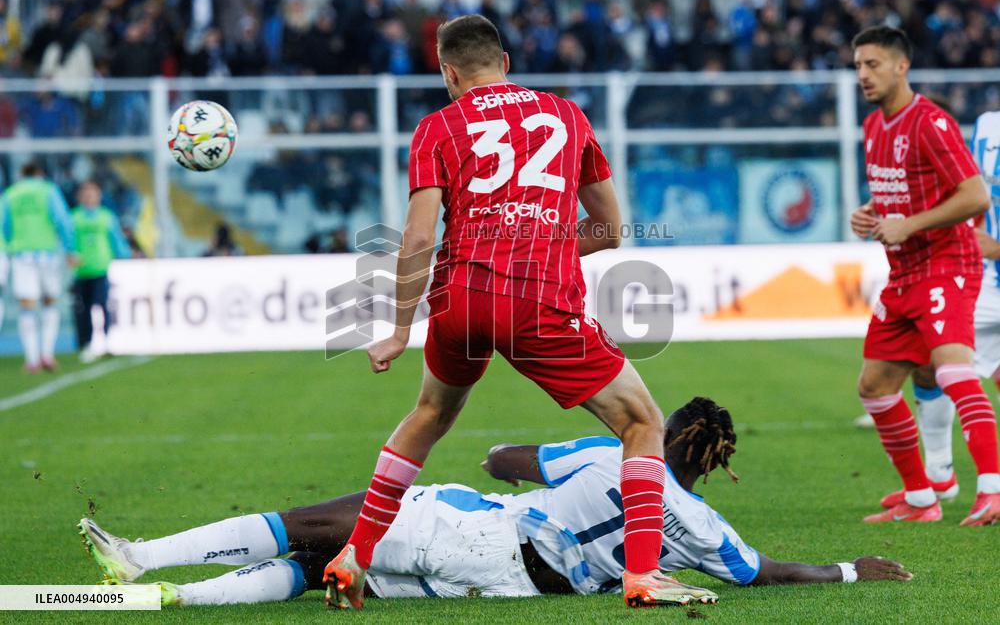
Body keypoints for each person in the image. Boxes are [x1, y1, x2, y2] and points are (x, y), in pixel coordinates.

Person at [323, 14, 711, 610]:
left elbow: (419, 238)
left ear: (449, 73)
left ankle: (356, 553)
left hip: (461, 299)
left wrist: (398, 329)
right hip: (540, 300)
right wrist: (540, 244)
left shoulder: (436, 127)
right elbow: (609, 229)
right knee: (642, 423)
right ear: (505, 62)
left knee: (429, 413)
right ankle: (642, 574)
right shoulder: (567, 115)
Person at [78, 398, 912, 607]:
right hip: (508, 584)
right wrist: (848, 570)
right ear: (714, 462)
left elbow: (508, 460)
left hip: (484, 532)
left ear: (666, 431)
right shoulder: (701, 527)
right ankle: (174, 597)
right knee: (322, 567)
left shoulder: (610, 450)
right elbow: (763, 572)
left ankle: (141, 558)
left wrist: (507, 459)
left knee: (316, 526)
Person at [849, 25, 1000, 525]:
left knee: (952, 369)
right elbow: (902, 191)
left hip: (947, 263)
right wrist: (872, 212)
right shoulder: (874, 126)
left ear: (901, 66)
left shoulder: (931, 121)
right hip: (905, 272)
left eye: (873, 64)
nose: (863, 74)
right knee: (875, 385)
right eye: (858, 66)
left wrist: (908, 224)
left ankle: (993, 491)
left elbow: (975, 196)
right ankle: (920, 498)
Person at [0, 161, 74, 372]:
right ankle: (47, 354)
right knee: (50, 301)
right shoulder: (48, 190)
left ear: (21, 174)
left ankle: (32, 360)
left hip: (22, 255)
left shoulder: (10, 194)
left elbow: (4, 226)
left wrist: (11, 245)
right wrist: (70, 248)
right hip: (47, 253)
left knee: (27, 305)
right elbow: (62, 220)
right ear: (40, 173)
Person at [70, 180, 131, 363]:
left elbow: (117, 239)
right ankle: (86, 344)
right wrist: (69, 254)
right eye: (86, 194)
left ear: (98, 196)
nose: (89, 197)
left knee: (102, 306)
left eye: (93, 194)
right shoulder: (73, 217)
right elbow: (67, 240)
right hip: (81, 271)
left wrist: (125, 254)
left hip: (100, 269)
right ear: (80, 197)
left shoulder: (106, 217)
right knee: (83, 310)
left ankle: (106, 341)